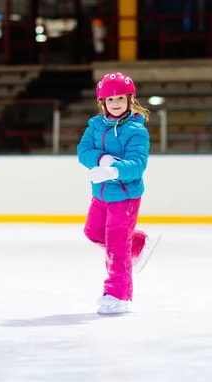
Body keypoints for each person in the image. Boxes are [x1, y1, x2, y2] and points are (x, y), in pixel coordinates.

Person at [77, 72, 161, 315]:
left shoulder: (136, 131)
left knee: (116, 245)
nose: (115, 104)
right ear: (102, 102)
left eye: (120, 99)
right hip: (101, 194)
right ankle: (139, 242)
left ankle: (118, 294)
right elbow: (83, 151)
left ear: (129, 100)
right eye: (110, 100)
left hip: (125, 196)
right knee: (93, 233)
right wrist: (100, 158)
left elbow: (138, 164)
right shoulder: (95, 125)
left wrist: (113, 171)